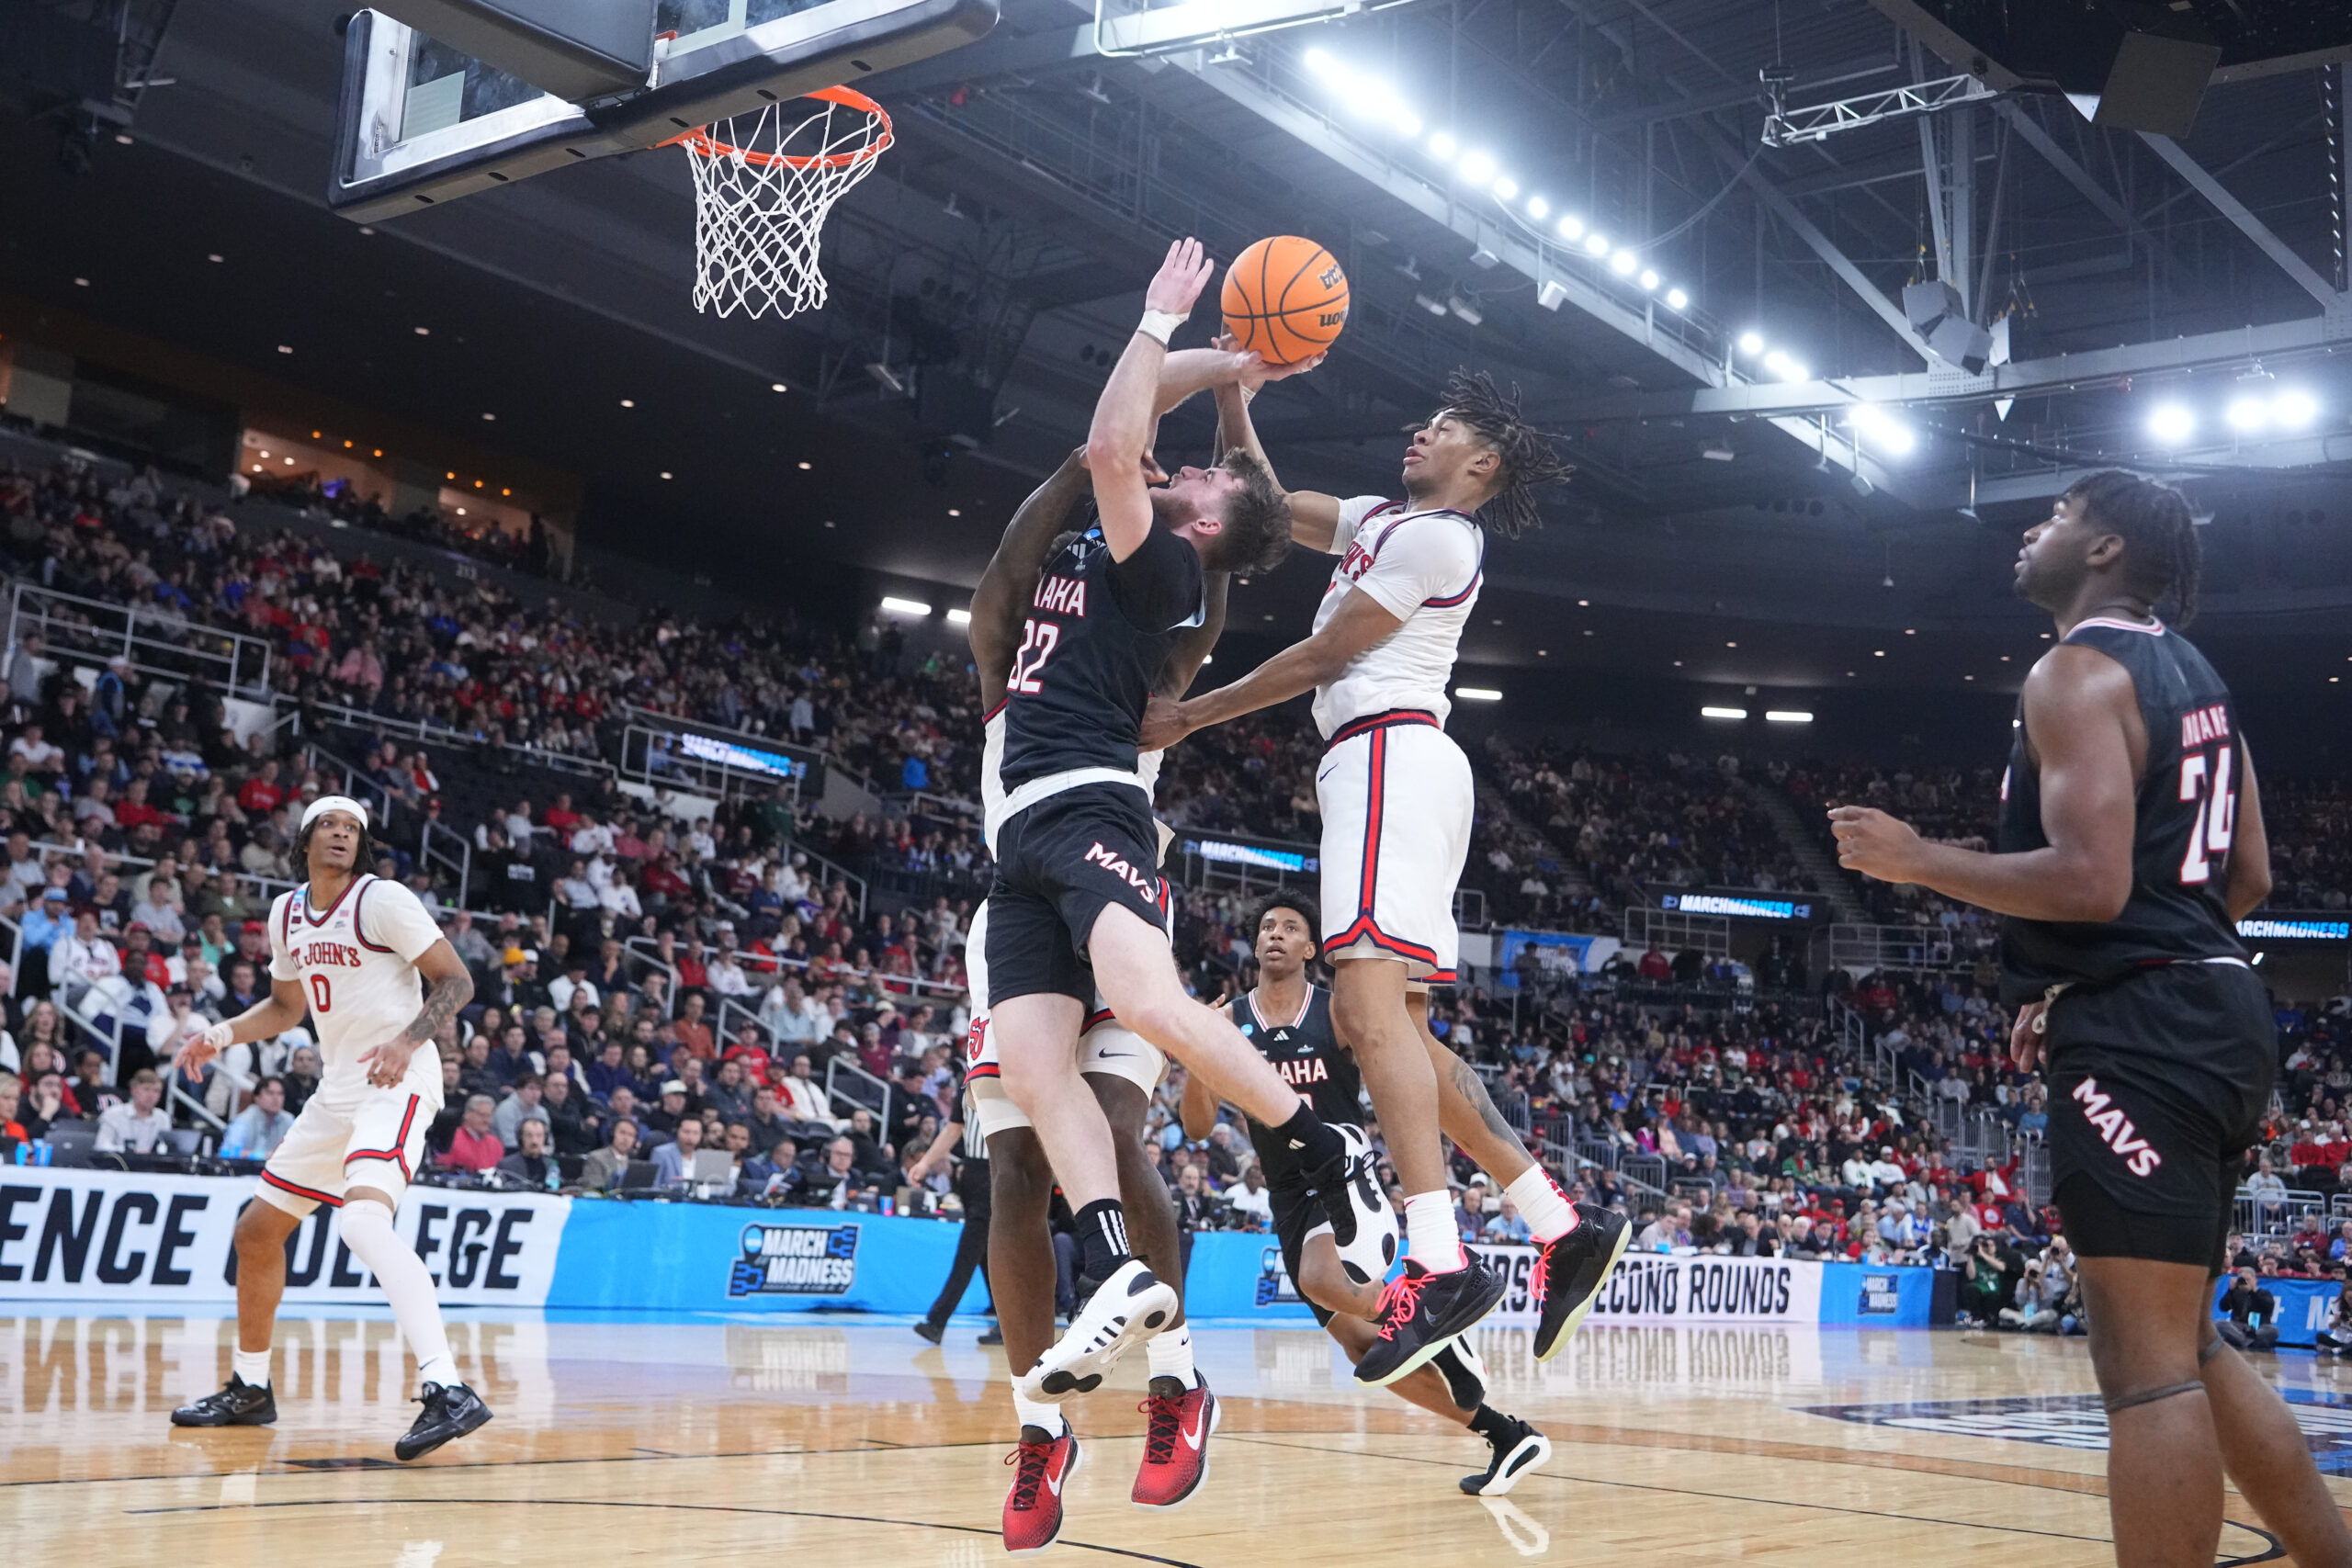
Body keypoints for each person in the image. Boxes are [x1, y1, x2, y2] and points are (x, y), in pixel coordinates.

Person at [1829, 471, 2351, 1568]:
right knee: (2188, 1344)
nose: (2032, 528)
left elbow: (2091, 881)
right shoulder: (2199, 681)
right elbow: (2245, 874)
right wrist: (2082, 976)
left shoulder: (2074, 671)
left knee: (2145, 1366)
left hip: (2147, 1030)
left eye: (2057, 514)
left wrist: (1919, 859)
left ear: (2105, 546)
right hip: (2221, 1008)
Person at [1142, 357, 1622, 1385]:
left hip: (1388, 755)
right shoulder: (1380, 518)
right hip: (1390, 768)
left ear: (1479, 463)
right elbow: (1266, 509)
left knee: (1362, 1020)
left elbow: (1324, 657)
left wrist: (1188, 716)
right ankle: (1559, 1227)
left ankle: (1441, 1261)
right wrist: (1235, 393)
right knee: (1395, 1030)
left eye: (1440, 426)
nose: (1417, 430)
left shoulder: (1441, 537)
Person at [962, 327, 1348, 1554]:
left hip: (1108, 841)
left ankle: (1176, 1370)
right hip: (1018, 862)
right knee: (1015, 1166)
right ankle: (1042, 1420)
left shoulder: (1170, 604)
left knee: (1123, 1140)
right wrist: (1140, 424)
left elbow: (1234, 523)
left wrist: (1214, 393)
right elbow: (1038, 531)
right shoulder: (1025, 622)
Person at [1182, 895, 1552, 1497]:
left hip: (1343, 1172)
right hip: (1287, 1196)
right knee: (1363, 1351)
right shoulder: (1228, 1023)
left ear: (1311, 949)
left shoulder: (1339, 1012)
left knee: (1322, 1275)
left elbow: (1400, 1066)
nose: (1275, 933)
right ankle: (1506, 1433)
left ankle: (1424, 1312)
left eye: (1291, 927)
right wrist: (1199, 1055)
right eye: (1267, 926)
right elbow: (1197, 1125)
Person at [168, 796, 494, 1461]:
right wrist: (221, 1034)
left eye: (352, 828)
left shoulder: (383, 900)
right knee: (257, 1232)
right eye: (330, 825)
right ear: (306, 839)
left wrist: (407, 1042)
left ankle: (448, 1386)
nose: (342, 834)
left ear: (361, 844)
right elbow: (287, 1006)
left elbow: (457, 982)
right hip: (339, 1088)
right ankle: (251, 1389)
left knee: (362, 1223)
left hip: (398, 1078)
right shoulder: (288, 912)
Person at [94, 1067, 171, 1153]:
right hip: (117, 1164)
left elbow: (165, 1148)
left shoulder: (163, 1117)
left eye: (156, 1091)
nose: (151, 1095)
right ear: (133, 1090)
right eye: (146, 1089)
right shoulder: (113, 1114)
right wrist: (127, 1151)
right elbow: (101, 1145)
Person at [219, 1076, 296, 1160]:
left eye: (280, 1094)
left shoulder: (289, 1119)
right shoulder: (244, 1120)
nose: (276, 1098)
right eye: (270, 1093)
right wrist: (262, 1155)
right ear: (257, 1098)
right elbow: (226, 1152)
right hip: (247, 1170)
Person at [2215, 1268, 2280, 1354]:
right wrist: (2230, 1290)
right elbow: (2223, 1307)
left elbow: (2268, 1307)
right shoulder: (2236, 1293)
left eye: (2248, 1280)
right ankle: (2248, 1342)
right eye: (2242, 1280)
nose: (2245, 1282)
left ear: (2255, 1280)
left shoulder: (2264, 1293)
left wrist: (2253, 1291)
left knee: (2273, 1330)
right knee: (2219, 1323)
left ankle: (2242, 1341)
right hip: (2239, 1327)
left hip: (2258, 1328)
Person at [496, 1116, 561, 1192]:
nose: (534, 1141)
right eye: (529, 1135)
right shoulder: (506, 1166)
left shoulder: (551, 1165)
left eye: (539, 1135)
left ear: (545, 1138)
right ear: (521, 1138)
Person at [581, 1116, 640, 1191]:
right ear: (612, 1134)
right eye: (622, 1132)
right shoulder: (596, 1157)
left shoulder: (636, 1163)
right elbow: (593, 1188)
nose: (626, 1138)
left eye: (631, 1135)